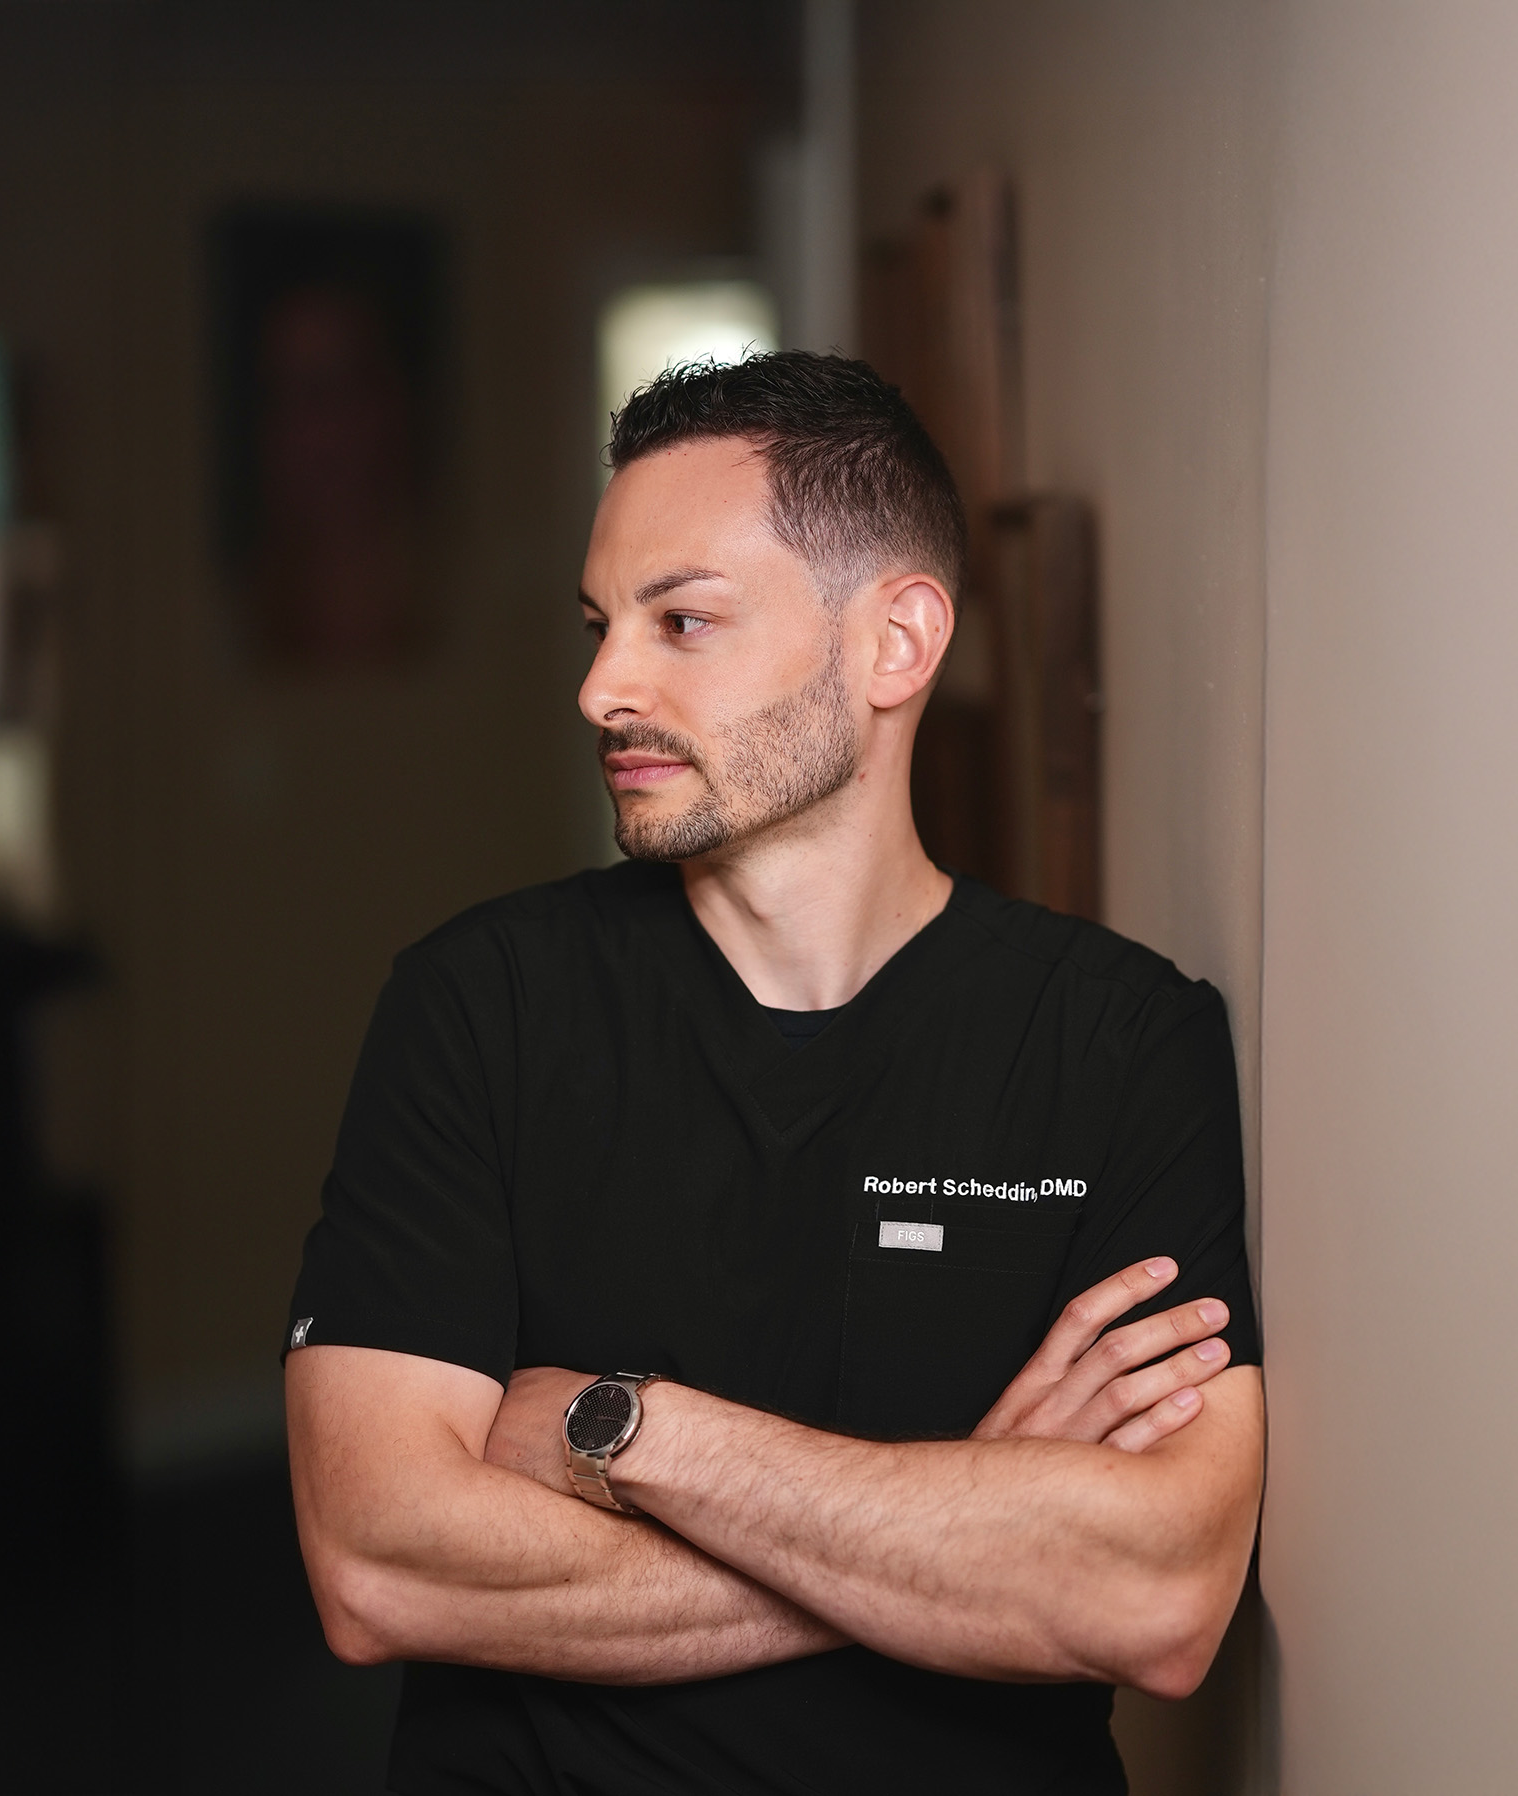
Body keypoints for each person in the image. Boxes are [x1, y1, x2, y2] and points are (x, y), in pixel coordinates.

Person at [283, 351, 1264, 1794]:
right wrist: (956, 1531)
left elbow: (1161, 1600)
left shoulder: (1121, 1041)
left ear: (896, 643)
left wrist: (621, 1428)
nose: (602, 685)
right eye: (602, 623)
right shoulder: (477, 1007)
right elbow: (377, 1563)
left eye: (682, 620)